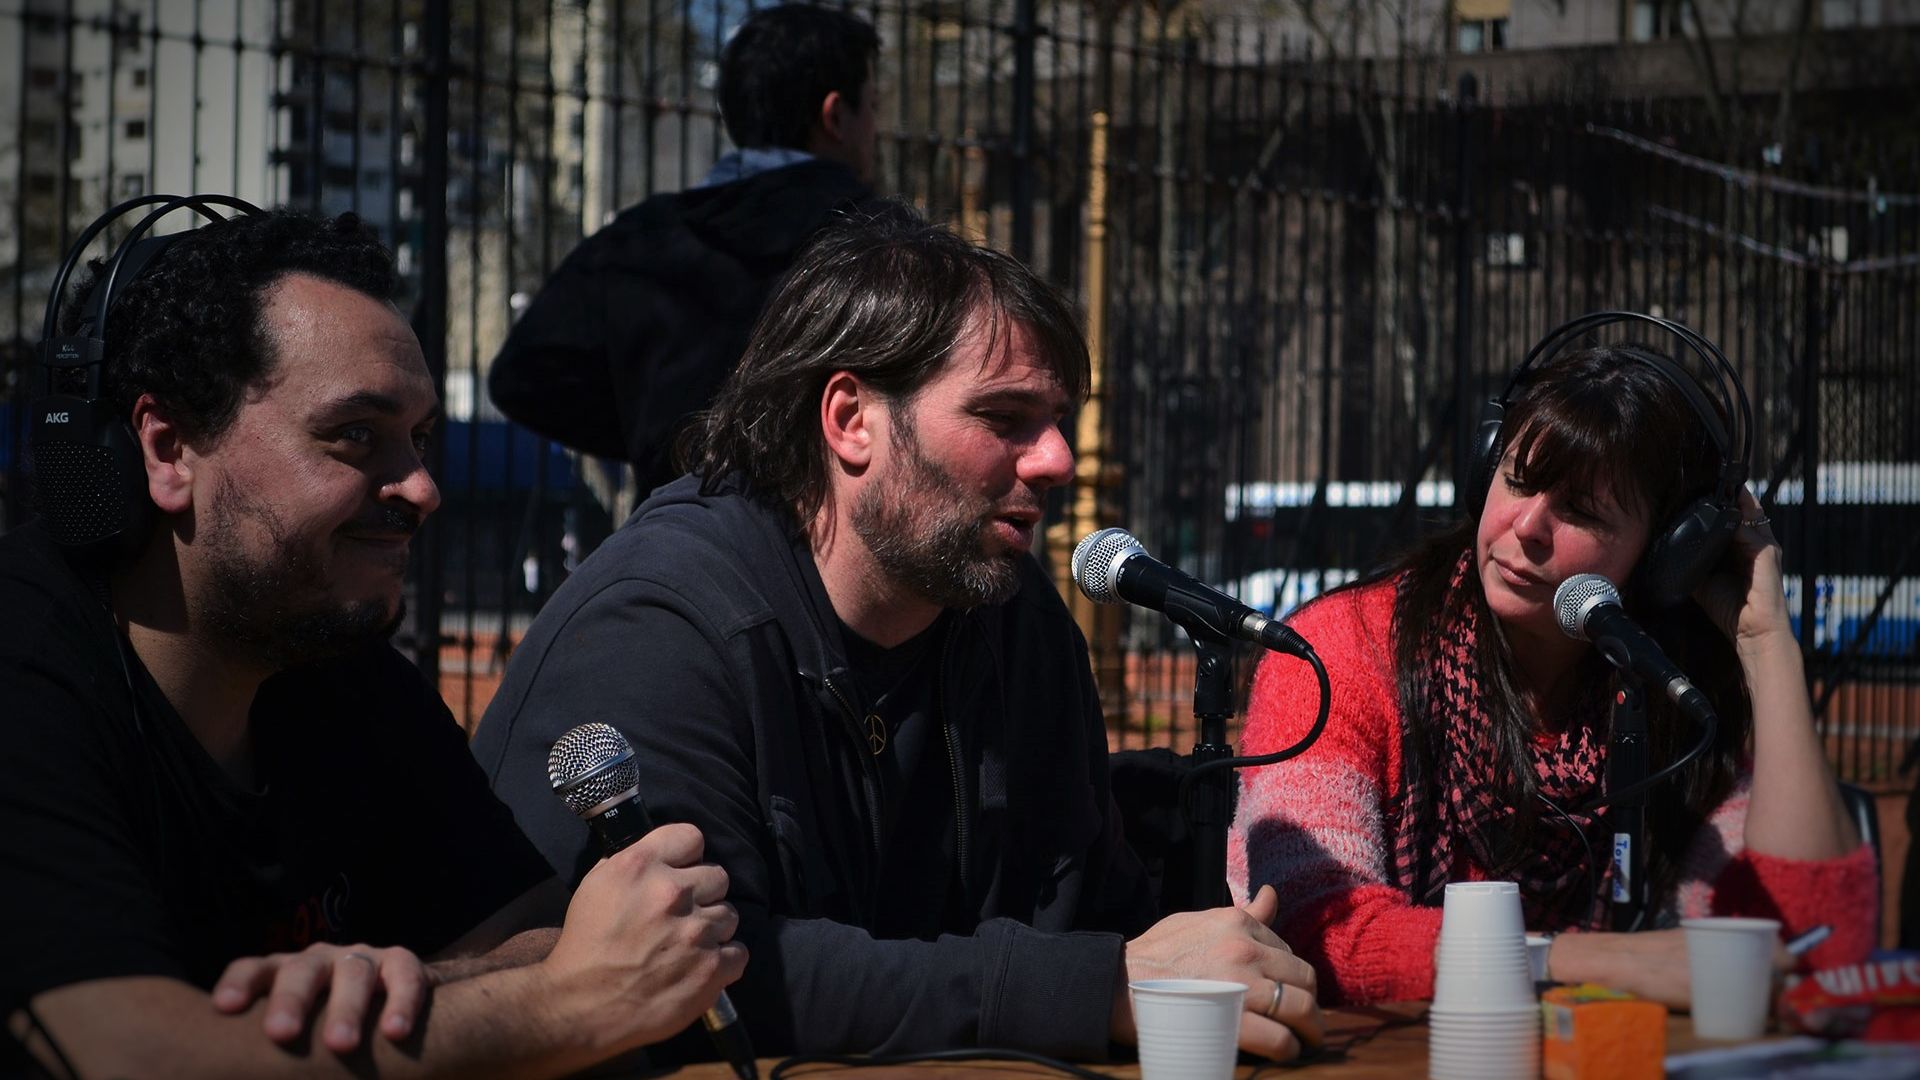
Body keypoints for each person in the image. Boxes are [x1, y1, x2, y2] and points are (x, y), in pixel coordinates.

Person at [473, 209, 1324, 1063]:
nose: (1058, 459)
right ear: (851, 420)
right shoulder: (660, 628)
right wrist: (1092, 987)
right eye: (1006, 417)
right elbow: (711, 976)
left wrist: (1201, 957)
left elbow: (1094, 909)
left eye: (1058, 418)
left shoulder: (1016, 619)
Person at [1, 206, 746, 1077]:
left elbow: (537, 931)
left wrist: (407, 994)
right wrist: (564, 1007)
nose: (423, 486)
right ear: (168, 449)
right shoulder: (25, 675)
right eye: (356, 434)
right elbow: (133, 1058)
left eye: (420, 438)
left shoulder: (339, 670)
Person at [1229, 341, 1878, 1007]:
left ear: (1664, 558)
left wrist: (1766, 643)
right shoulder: (1338, 650)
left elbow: (1813, 951)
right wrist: (1583, 960)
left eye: (1581, 511)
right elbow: (1316, 928)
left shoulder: (1665, 694)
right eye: (1517, 478)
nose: (1528, 526)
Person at [488, 3, 879, 492]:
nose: (875, 132)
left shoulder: (642, 240)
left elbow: (524, 376)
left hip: (679, 538)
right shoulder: (882, 242)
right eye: (873, 108)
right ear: (836, 116)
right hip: (828, 547)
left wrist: (660, 435)